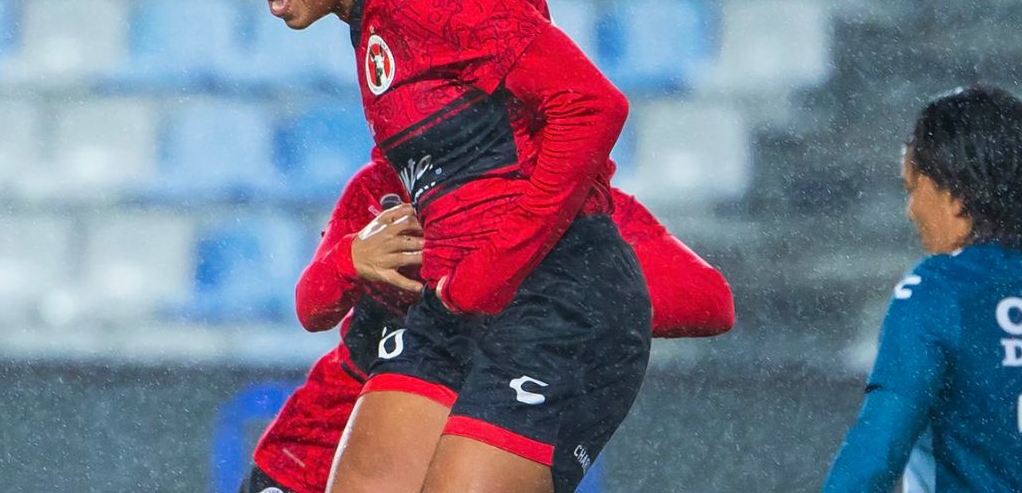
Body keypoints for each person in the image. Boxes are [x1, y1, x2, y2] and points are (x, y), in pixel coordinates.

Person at [170, 0, 650, 493]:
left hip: (556, 297)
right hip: (453, 304)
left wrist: (490, 273)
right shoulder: (370, 25)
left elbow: (590, 107)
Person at [240, 159, 735, 493]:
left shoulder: (586, 208)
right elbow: (312, 308)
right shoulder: (384, 186)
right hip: (314, 454)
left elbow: (710, 302)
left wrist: (535, 278)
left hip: (472, 450)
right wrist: (349, 259)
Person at [823, 86, 1022, 492]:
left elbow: (876, 453)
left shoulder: (940, 291)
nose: (910, 210)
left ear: (954, 193)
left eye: (914, 187)